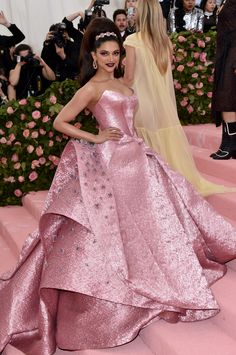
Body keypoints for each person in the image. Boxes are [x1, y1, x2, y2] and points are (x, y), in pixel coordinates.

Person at [0, 16, 236, 354]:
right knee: (115, 226)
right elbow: (60, 121)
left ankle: (158, 270)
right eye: (105, 54)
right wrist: (94, 136)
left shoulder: (126, 84)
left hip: (137, 158)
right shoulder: (92, 88)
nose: (111, 58)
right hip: (110, 164)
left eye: (115, 53)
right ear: (94, 57)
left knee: (154, 220)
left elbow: (129, 119)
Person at [123, 0, 233, 196]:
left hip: (142, 105)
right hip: (164, 105)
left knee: (148, 149)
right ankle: (170, 184)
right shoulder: (165, 41)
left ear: (142, 15)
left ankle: (154, 188)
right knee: (165, 146)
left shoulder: (132, 40)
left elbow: (129, 78)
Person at [210, 0, 236, 159]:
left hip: (233, 54)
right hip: (225, 53)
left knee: (226, 97)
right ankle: (230, 142)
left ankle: (230, 143)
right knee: (228, 97)